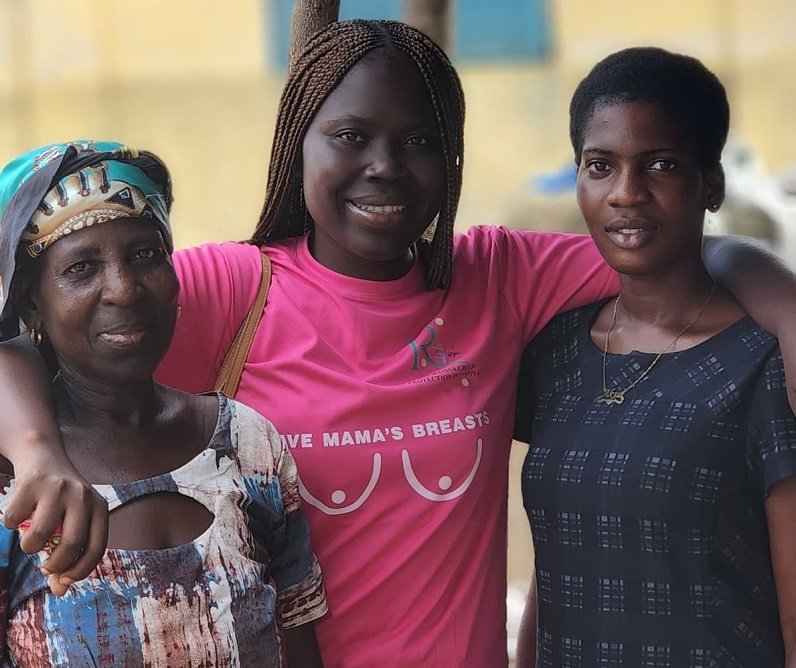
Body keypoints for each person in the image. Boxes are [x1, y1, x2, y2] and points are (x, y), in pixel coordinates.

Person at [0, 21, 795, 668]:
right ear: (296, 146)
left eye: (418, 141)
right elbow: (37, 346)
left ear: (449, 159)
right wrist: (37, 451)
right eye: (350, 136)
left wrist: (788, 318)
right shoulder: (236, 289)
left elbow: (670, 247)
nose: (384, 167)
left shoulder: (497, 276)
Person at [515, 47, 796, 667]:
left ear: (711, 184)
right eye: (600, 166)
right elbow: (559, 561)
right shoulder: (556, 353)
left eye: (661, 165)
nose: (626, 193)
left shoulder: (764, 362)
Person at [0, 141, 327, 667]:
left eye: (145, 255)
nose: (124, 290)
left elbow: (299, 646)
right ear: (33, 303)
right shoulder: (15, 482)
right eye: (82, 267)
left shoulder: (247, 442)